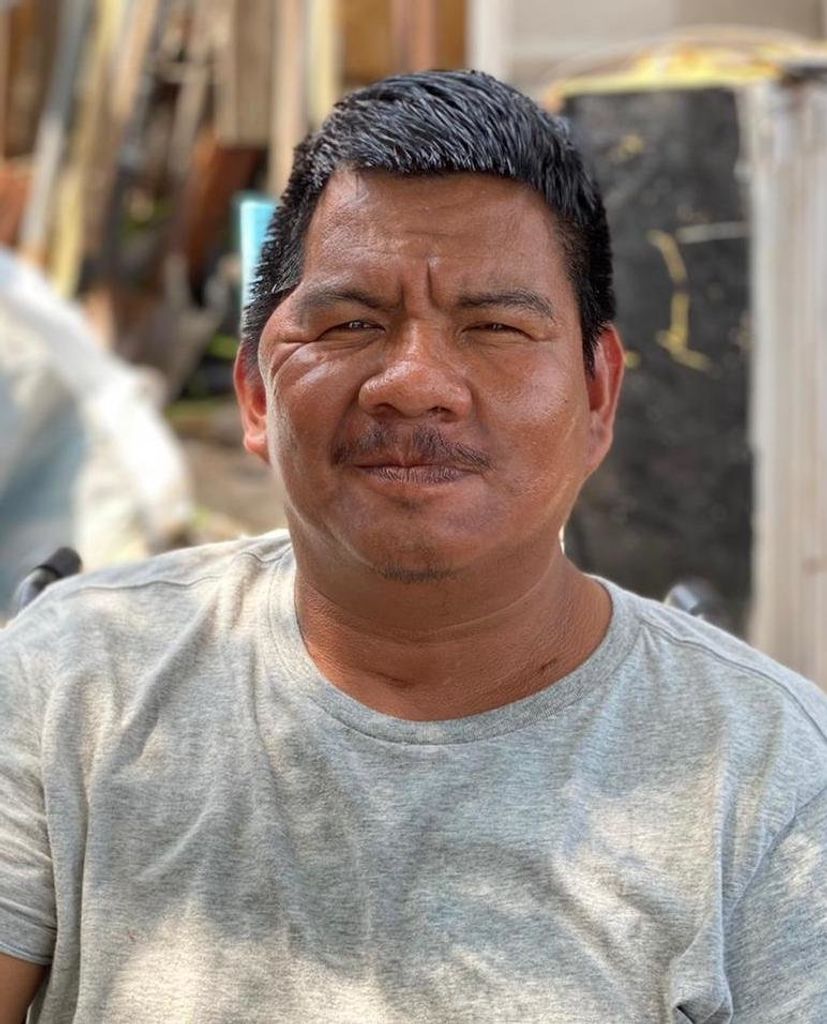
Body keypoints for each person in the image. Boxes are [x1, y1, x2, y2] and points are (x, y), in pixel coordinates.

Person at [1, 70, 825, 1024]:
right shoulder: (71, 686)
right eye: (352, 323)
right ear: (258, 395)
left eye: (495, 327)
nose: (414, 382)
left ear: (597, 396)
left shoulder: (771, 779)